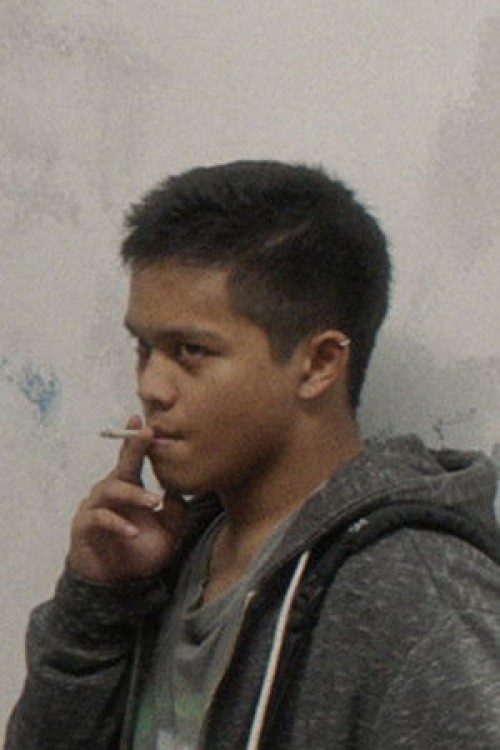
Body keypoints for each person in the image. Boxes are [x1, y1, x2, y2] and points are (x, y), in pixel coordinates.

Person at [5, 160, 500, 750]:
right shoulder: (171, 556)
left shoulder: (414, 595)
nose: (152, 386)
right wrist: (95, 608)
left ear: (318, 365)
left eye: (190, 351)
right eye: (144, 348)